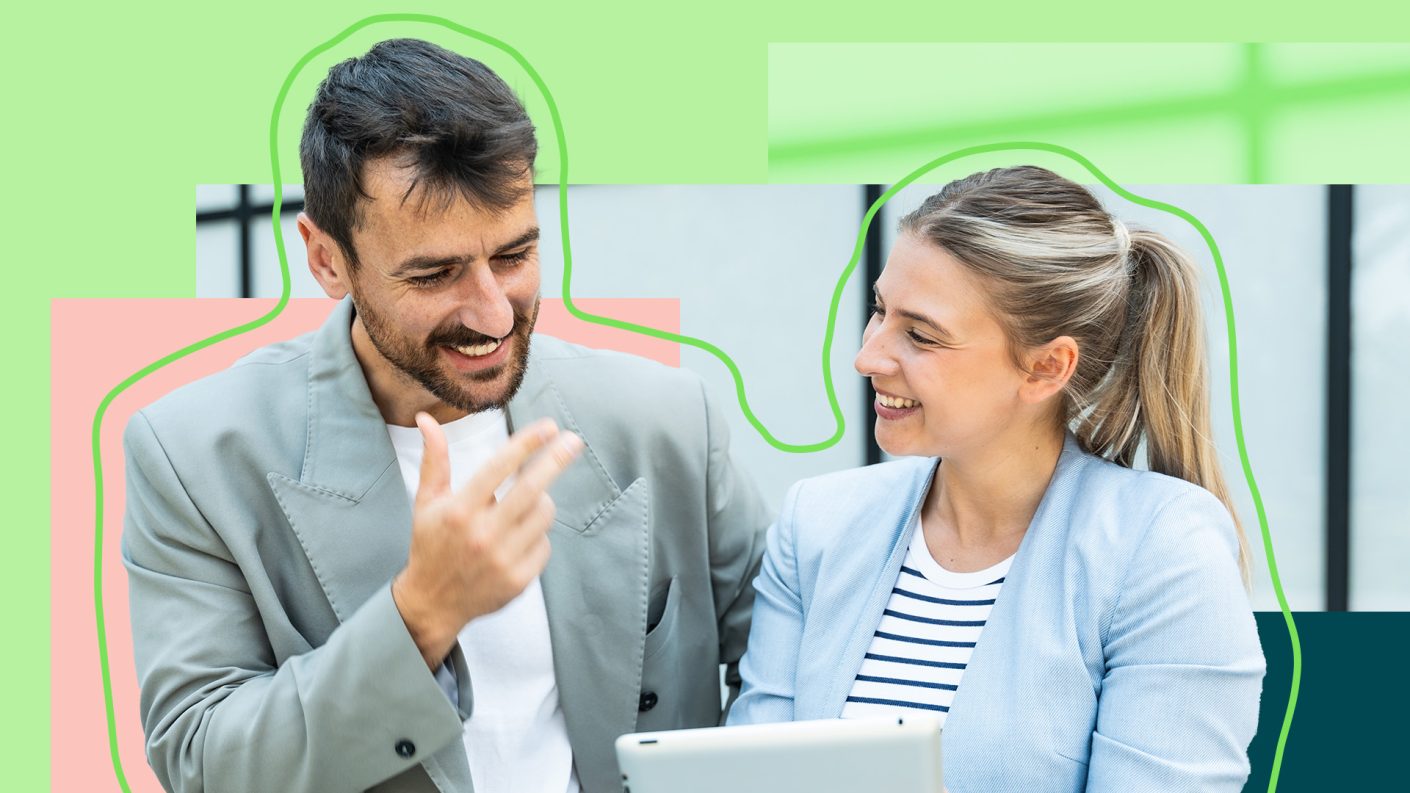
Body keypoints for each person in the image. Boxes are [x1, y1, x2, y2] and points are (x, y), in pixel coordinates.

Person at [122, 38, 769, 793]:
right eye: (435, 274)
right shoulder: (192, 454)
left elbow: (795, 671)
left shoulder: (666, 419)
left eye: (513, 256)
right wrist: (421, 615)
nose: (493, 314)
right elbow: (201, 759)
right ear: (327, 259)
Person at [728, 166, 1265, 791]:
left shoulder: (1162, 550)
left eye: (921, 335)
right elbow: (750, 778)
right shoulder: (818, 524)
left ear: (1046, 368)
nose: (868, 356)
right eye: (879, 311)